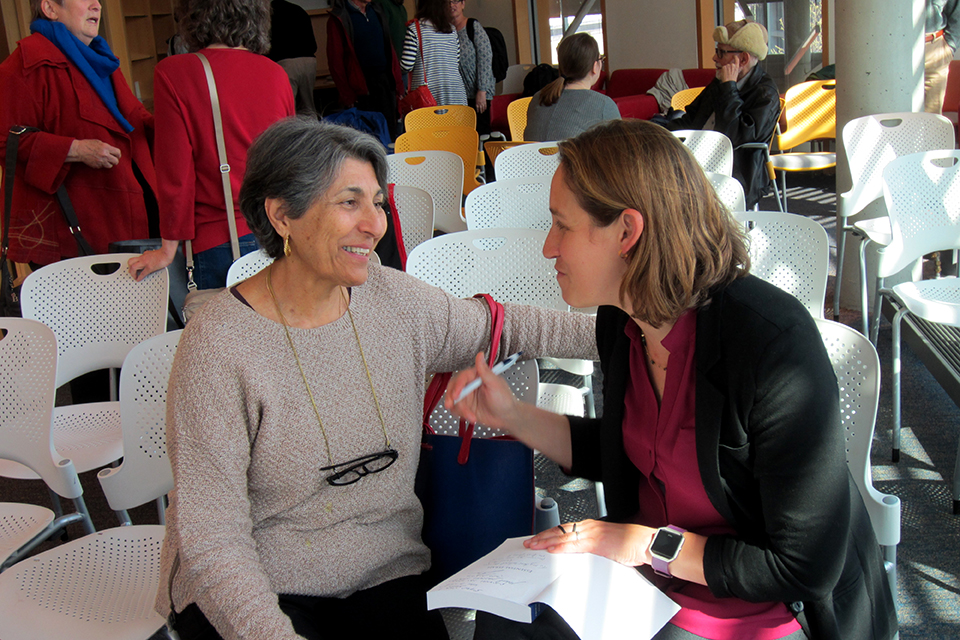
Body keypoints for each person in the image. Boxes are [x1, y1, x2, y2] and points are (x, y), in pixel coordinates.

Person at [445, 119, 899, 640]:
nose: (549, 248)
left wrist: (646, 545)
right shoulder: (621, 321)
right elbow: (629, 450)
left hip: (762, 602)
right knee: (504, 625)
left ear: (627, 232)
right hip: (655, 583)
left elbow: (805, 567)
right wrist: (512, 415)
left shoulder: (770, 344)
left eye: (561, 225)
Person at [155, 117, 598, 640]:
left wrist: (643, 324)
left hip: (385, 575)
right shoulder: (218, 344)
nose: (376, 225)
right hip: (258, 586)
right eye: (349, 203)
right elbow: (212, 537)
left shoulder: (395, 301)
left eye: (378, 203)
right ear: (281, 216)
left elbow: (515, 326)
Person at [126, 0, 295, 290]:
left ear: (193, 13)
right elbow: (291, 164)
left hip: (218, 240)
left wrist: (168, 249)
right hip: (278, 234)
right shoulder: (275, 74)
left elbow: (175, 171)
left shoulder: (175, 73)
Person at [0, 0, 157, 265]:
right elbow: (6, 140)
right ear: (50, 9)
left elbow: (133, 120)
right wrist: (76, 150)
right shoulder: (25, 64)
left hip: (128, 216)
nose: (97, 5)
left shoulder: (98, 58)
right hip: (75, 231)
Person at [662, 19, 780, 210]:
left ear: (742, 59)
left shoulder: (765, 94)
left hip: (736, 174)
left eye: (721, 52)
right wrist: (654, 131)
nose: (714, 58)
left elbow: (732, 137)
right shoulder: (720, 83)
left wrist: (729, 89)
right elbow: (691, 120)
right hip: (698, 161)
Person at [327, 0, 403, 139]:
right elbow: (335, 61)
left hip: (385, 83)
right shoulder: (339, 17)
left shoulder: (377, 10)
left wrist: (398, 84)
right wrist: (346, 94)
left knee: (390, 134)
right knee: (367, 138)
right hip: (361, 88)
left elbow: (390, 49)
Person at [524, 33, 619, 142]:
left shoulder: (538, 97)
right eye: (601, 59)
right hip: (572, 159)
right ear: (595, 66)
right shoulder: (603, 104)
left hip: (533, 159)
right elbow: (618, 153)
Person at [400, 0, 467, 107]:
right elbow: (456, 61)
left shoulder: (415, 29)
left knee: (433, 124)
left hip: (428, 95)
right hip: (456, 92)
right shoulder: (452, 29)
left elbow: (407, 65)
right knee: (455, 124)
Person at [448, 0, 495, 135]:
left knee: (481, 132)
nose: (452, 5)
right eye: (448, 2)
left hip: (478, 93)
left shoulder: (473, 26)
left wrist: (482, 90)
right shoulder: (446, 31)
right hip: (459, 95)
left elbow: (485, 58)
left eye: (455, 1)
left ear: (463, 4)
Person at [268, 0, 319, 117]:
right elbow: (313, 44)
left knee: (287, 109)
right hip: (309, 62)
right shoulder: (299, 10)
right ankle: (314, 133)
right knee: (308, 107)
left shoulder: (268, 14)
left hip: (285, 63)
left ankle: (291, 135)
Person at [924, 0, 960, 113]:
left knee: (931, 119)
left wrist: (950, 47)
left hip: (933, 48)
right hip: (887, 49)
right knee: (888, 119)